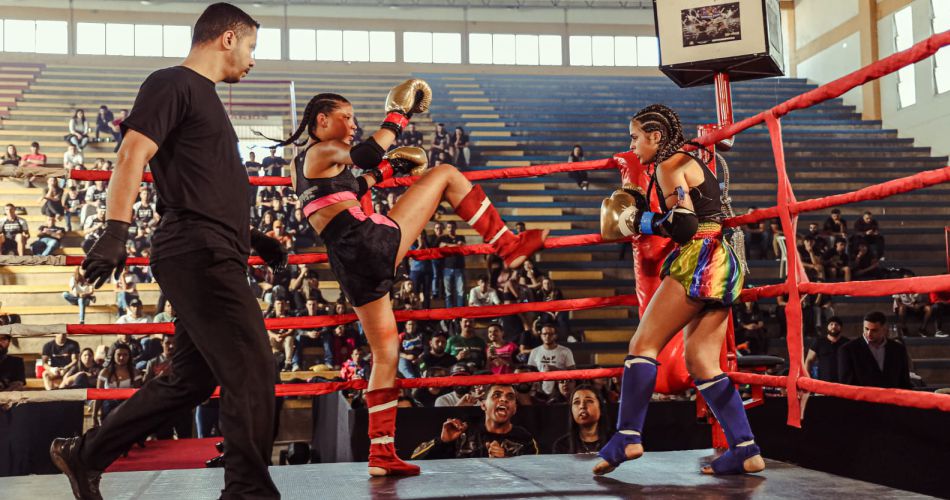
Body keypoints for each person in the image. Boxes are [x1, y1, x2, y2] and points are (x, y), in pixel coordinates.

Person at [50, 6, 285, 500]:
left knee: (190, 381)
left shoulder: (205, 98)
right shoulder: (172, 83)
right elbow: (131, 153)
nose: (252, 59)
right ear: (227, 39)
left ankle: (87, 454)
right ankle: (248, 492)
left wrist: (253, 238)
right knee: (252, 367)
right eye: (251, 47)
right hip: (198, 251)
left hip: (214, 247)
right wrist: (115, 230)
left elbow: (203, 188)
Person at [278, 82, 547, 477]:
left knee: (387, 353)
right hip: (368, 243)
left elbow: (352, 185)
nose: (352, 125)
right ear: (322, 120)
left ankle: (381, 453)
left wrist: (387, 171)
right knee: (446, 174)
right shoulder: (323, 149)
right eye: (345, 117)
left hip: (349, 265)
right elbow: (366, 154)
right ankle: (508, 245)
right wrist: (399, 114)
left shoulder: (300, 165)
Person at [596, 104, 763, 476]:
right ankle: (745, 448)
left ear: (655, 136)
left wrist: (639, 220)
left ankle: (627, 436)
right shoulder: (688, 162)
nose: (632, 145)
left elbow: (684, 226)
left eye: (635, 137)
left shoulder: (669, 166)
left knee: (642, 344)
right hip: (722, 260)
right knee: (701, 361)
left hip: (698, 258)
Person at [412, 384, 539, 459]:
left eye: (510, 397)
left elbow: (535, 474)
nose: (504, 400)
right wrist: (442, 442)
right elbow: (415, 459)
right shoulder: (463, 432)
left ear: (515, 408)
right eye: (497, 395)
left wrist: (507, 461)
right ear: (483, 405)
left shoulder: (524, 438)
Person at [837, 311, 912, 389]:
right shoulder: (848, 350)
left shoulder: (898, 349)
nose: (869, 333)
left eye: (874, 330)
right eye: (866, 329)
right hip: (862, 396)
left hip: (891, 396)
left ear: (884, 329)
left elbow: (904, 382)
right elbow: (847, 385)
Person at [552, 385, 612, 454]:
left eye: (589, 401)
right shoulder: (562, 445)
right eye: (577, 402)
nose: (582, 406)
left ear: (600, 408)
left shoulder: (615, 442)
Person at [526, 324, 575, 395]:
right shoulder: (535, 351)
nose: (547, 336)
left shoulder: (566, 351)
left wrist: (555, 370)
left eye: (550, 334)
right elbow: (530, 372)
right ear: (541, 335)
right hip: (539, 389)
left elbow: (573, 372)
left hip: (560, 389)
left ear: (555, 336)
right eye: (544, 334)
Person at [804, 317, 847, 382]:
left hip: (844, 383)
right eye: (831, 324)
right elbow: (809, 360)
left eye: (836, 324)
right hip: (823, 383)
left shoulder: (847, 343)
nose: (833, 326)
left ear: (840, 327)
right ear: (827, 327)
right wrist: (807, 379)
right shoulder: (819, 342)